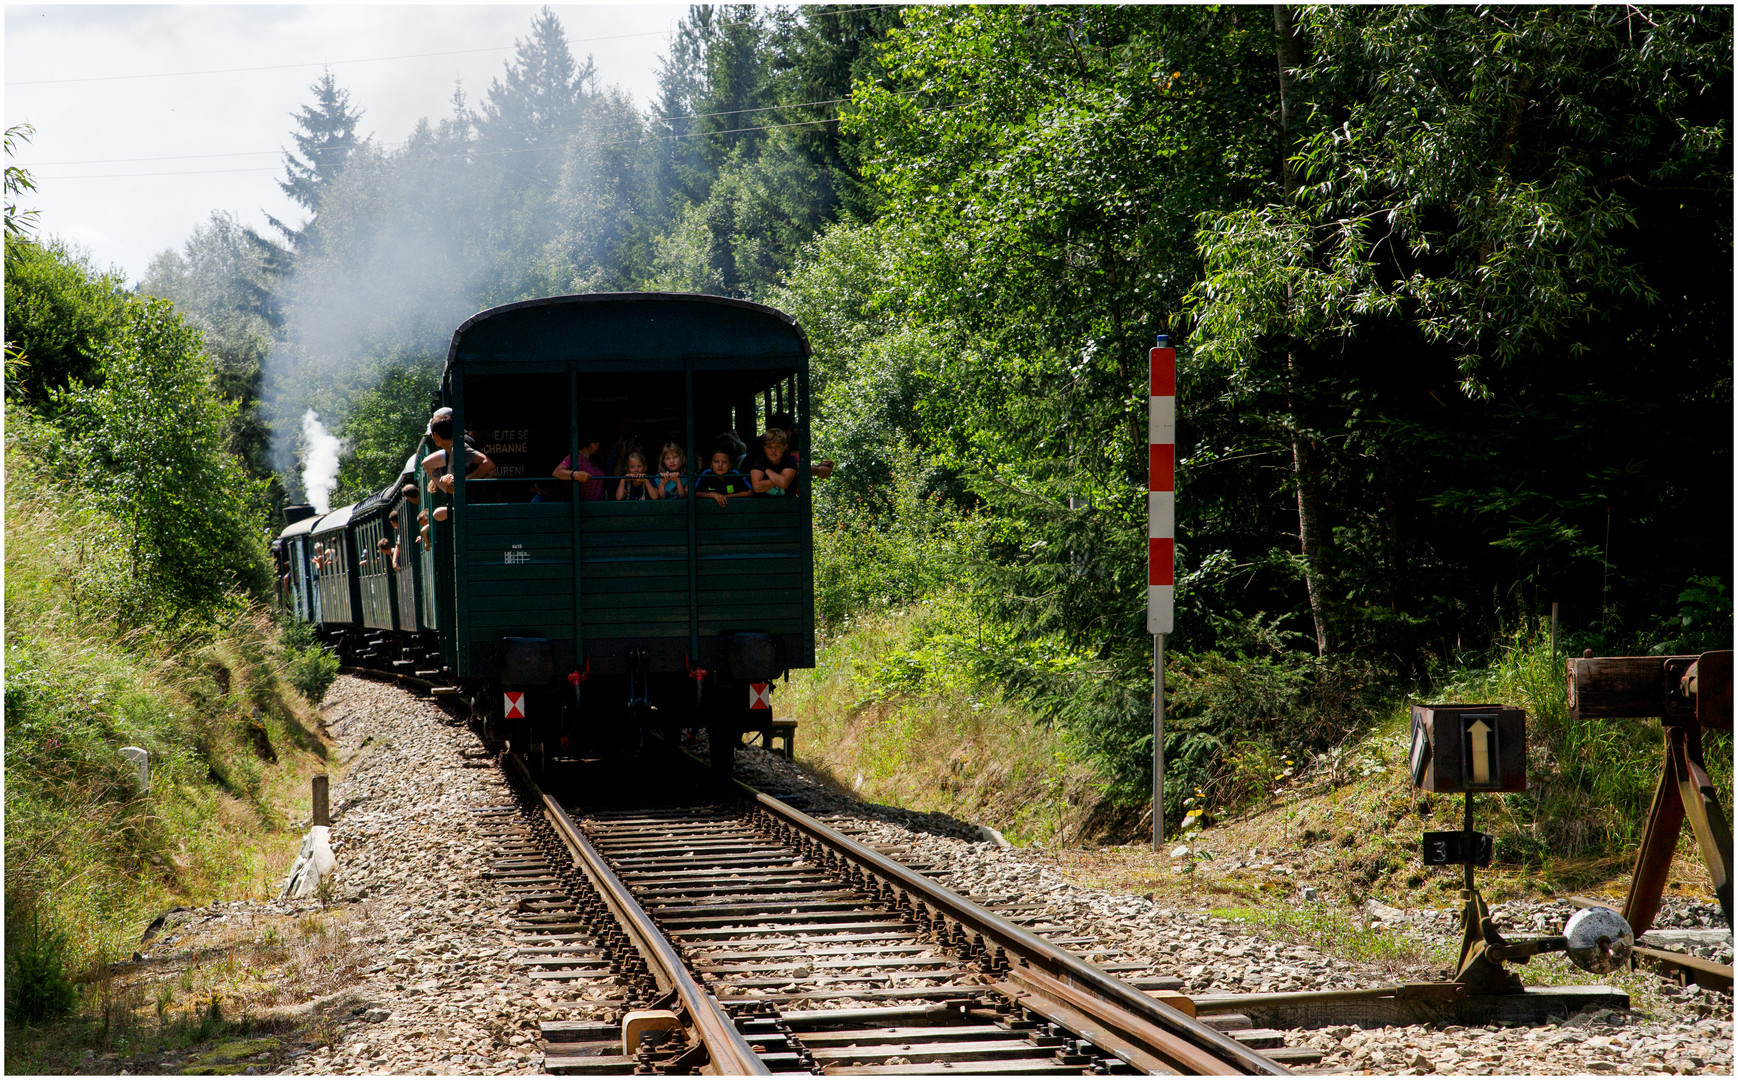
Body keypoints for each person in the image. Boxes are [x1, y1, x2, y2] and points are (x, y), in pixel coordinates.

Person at [422, 408, 497, 494]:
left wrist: (464, 481)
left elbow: (488, 464)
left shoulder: (459, 446)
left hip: (475, 500)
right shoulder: (452, 448)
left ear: (436, 435)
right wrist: (446, 480)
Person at [759, 410, 834, 480]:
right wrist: (817, 470)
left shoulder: (791, 441)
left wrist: (817, 467)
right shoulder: (763, 445)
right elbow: (786, 465)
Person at [694, 442, 754, 508]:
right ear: (711, 464)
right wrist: (713, 495)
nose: (720, 465)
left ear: (730, 465)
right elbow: (694, 493)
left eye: (724, 462)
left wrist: (726, 496)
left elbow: (749, 492)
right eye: (716, 462)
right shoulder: (706, 474)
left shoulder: (735, 474)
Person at [554, 432, 607, 501]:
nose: (599, 446)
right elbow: (557, 472)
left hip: (597, 505)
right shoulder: (575, 457)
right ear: (591, 443)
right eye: (597, 443)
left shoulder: (594, 461)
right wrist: (575, 475)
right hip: (581, 505)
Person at [748, 427, 800, 496]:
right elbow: (757, 487)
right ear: (764, 448)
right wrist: (779, 479)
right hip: (762, 505)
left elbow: (784, 483)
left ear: (785, 447)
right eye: (769, 447)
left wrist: (767, 470)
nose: (773, 451)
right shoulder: (759, 461)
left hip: (788, 504)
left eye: (778, 447)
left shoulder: (790, 460)